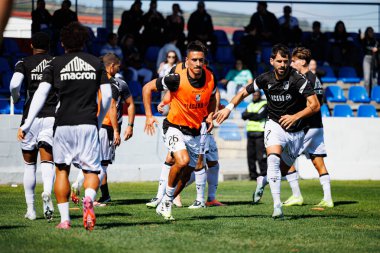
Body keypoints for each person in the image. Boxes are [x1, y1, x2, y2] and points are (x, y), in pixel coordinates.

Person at [17, 22, 111, 230]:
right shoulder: (96, 62)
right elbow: (108, 96)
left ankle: (65, 220)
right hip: (87, 123)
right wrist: (99, 118)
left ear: (62, 43)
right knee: (91, 171)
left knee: (61, 171)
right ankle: (88, 198)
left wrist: (27, 123)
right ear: (85, 41)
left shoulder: (55, 63)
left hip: (62, 125)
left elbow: (40, 94)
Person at [215, 44, 320, 218]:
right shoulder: (265, 78)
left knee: (284, 169)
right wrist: (229, 108)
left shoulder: (298, 79)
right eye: (279, 61)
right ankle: (277, 206)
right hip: (274, 125)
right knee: (273, 160)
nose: (282, 65)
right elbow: (243, 92)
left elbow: (315, 105)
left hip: (296, 130)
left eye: (285, 61)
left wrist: (295, 117)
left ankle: (262, 180)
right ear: (272, 61)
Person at [143, 40, 217, 220]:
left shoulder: (210, 77)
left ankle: (165, 202)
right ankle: (165, 201)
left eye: (201, 60)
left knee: (186, 175)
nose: (198, 64)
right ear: (187, 60)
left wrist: (210, 115)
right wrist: (148, 115)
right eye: (194, 60)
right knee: (182, 161)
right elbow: (147, 88)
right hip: (174, 126)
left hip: (194, 131)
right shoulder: (176, 77)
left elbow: (213, 97)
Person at [71, 53, 135, 206]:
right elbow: (114, 107)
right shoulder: (115, 84)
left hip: (90, 124)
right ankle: (89, 197)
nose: (119, 69)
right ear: (112, 66)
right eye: (118, 66)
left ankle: (78, 185)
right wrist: (118, 130)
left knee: (92, 162)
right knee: (103, 165)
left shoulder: (92, 81)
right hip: (106, 127)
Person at [10, 32, 56, 221]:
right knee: (48, 162)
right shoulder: (55, 62)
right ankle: (46, 192)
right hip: (52, 115)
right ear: (49, 45)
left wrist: (16, 98)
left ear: (31, 45)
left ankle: (31, 210)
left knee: (29, 165)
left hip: (30, 116)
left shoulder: (24, 62)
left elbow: (14, 84)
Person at [280, 47, 333, 208]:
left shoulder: (306, 79)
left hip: (308, 126)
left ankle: (296, 195)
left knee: (285, 157)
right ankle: (328, 198)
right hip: (317, 126)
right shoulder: (314, 78)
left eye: (294, 60)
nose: (291, 63)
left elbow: (313, 105)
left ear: (302, 62)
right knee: (318, 162)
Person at [242, 90, 267, 181]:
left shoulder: (264, 104)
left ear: (260, 95)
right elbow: (243, 115)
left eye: (257, 94)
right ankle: (253, 176)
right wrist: (253, 115)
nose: (255, 96)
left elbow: (259, 116)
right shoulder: (250, 104)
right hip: (250, 134)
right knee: (250, 156)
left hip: (260, 133)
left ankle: (264, 174)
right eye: (254, 94)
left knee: (261, 157)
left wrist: (250, 115)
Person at [361, 27, 379, 93]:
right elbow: (361, 45)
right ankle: (366, 95)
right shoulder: (364, 40)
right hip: (367, 59)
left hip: (375, 60)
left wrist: (377, 49)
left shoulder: (376, 41)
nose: (371, 33)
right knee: (367, 79)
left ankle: (374, 95)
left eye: (372, 31)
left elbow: (378, 48)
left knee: (374, 80)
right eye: (369, 31)